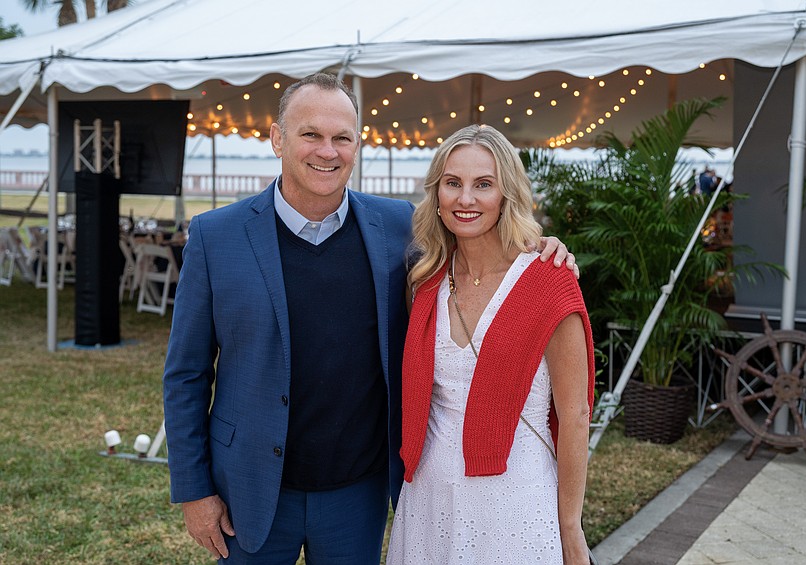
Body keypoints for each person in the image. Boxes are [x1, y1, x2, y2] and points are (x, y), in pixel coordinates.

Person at [162, 73, 577, 564]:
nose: (327, 151)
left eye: (342, 138)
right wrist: (194, 491)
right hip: (247, 486)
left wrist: (539, 244)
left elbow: (474, 239)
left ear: (357, 146)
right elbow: (186, 374)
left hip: (356, 491)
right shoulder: (217, 236)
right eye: (310, 134)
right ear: (278, 139)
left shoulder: (397, 228)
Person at [388, 124, 595, 564]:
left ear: (507, 195)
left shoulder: (548, 281)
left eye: (483, 184)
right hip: (427, 497)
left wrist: (570, 528)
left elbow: (575, 415)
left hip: (515, 502)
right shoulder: (425, 283)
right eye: (452, 183)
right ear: (437, 195)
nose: (466, 199)